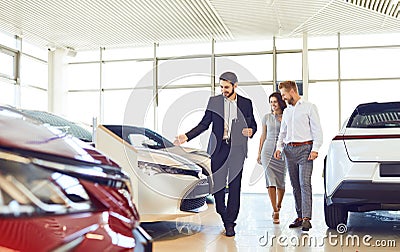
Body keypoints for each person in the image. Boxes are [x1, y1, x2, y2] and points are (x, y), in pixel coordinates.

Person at [174, 71, 257, 237]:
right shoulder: (214, 101)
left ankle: (230, 222)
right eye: (221, 87)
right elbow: (204, 124)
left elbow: (253, 123)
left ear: (235, 85)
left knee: (235, 186)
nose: (223, 90)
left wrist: (251, 131)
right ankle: (222, 212)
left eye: (227, 87)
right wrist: (187, 136)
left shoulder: (246, 103)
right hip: (218, 150)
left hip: (237, 150)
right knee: (218, 186)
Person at [273, 80, 323, 231]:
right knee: (295, 185)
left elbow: (317, 130)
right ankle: (300, 216)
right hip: (289, 151)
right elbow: (283, 132)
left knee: (304, 184)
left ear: (292, 91)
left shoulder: (309, 107)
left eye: (283, 94)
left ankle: (307, 219)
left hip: (305, 150)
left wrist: (315, 149)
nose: (283, 98)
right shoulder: (287, 111)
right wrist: (279, 148)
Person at [257, 92, 287, 224]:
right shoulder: (266, 117)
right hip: (268, 151)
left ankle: (279, 205)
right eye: (271, 102)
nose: (273, 104)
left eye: (275, 101)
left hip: (282, 152)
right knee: (270, 181)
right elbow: (263, 136)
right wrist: (259, 153)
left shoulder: (287, 116)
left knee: (281, 181)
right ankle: (275, 210)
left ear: (280, 102)